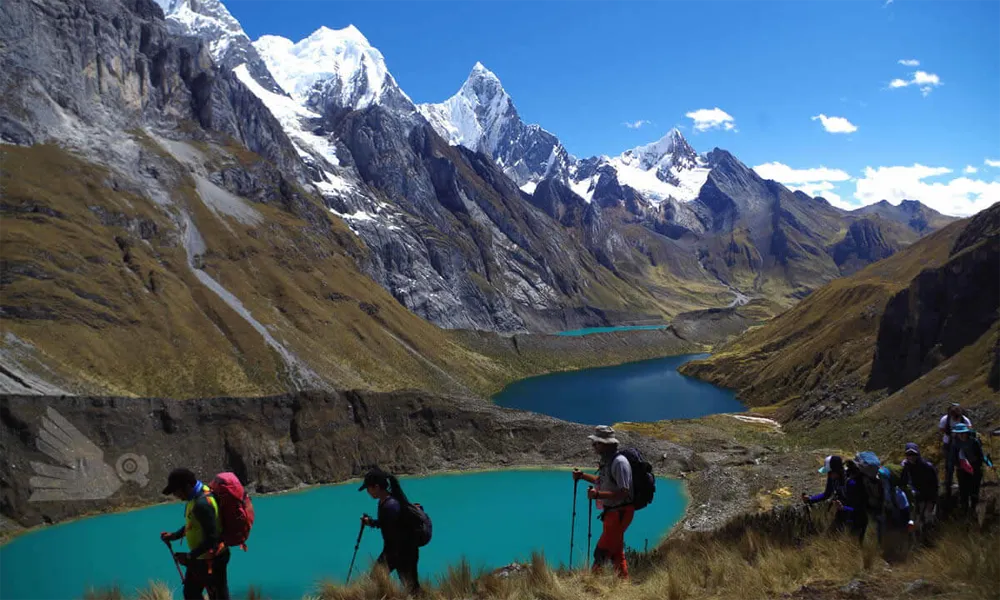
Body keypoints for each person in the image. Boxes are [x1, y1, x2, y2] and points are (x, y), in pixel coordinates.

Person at [160, 468, 231, 600]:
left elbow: (212, 539)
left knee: (216, 596)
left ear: (187, 486)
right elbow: (193, 525)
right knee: (191, 593)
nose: (176, 495)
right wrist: (174, 536)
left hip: (212, 561)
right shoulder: (198, 495)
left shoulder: (202, 504)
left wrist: (188, 557)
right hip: (200, 559)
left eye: (176, 491)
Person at [573, 425, 634, 579]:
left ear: (607, 444)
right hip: (612, 513)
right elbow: (601, 481)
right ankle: (623, 584)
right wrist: (582, 476)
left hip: (620, 512)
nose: (593, 446)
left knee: (602, 550)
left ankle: (591, 583)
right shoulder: (608, 461)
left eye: (597, 443)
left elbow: (624, 492)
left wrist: (598, 494)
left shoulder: (620, 463)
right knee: (616, 551)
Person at [359, 467, 421, 595]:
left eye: (368, 488)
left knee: (410, 588)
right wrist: (370, 522)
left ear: (376, 487)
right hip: (402, 551)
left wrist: (390, 557)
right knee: (412, 588)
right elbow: (387, 524)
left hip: (400, 552)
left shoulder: (390, 506)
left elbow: (392, 530)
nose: (367, 492)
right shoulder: (387, 501)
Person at [802, 456, 868, 543]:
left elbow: (859, 509)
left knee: (853, 545)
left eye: (829, 472)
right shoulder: (833, 478)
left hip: (857, 517)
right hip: (843, 512)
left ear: (836, 470)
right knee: (830, 537)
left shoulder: (852, 483)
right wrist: (810, 499)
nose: (828, 475)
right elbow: (827, 494)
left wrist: (843, 508)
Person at [949, 423, 985, 517]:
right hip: (962, 471)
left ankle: (974, 510)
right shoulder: (955, 444)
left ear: (966, 432)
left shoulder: (974, 442)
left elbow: (980, 456)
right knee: (963, 491)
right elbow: (953, 458)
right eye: (959, 433)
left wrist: (976, 466)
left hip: (975, 469)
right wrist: (958, 465)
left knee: (974, 491)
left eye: (963, 433)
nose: (961, 435)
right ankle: (964, 511)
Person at [900, 442, 938, 527]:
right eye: (909, 454)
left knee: (928, 517)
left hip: (929, 495)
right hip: (916, 497)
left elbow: (935, 484)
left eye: (913, 454)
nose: (911, 456)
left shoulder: (927, 466)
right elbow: (904, 482)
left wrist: (932, 500)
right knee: (917, 521)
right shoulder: (905, 467)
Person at [940, 403, 972, 502]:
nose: (955, 418)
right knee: (949, 465)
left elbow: (970, 429)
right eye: (954, 416)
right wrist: (951, 434)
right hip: (948, 444)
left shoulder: (965, 420)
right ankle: (948, 485)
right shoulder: (945, 419)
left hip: (961, 444)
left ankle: (962, 484)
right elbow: (941, 429)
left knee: (960, 463)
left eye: (957, 416)